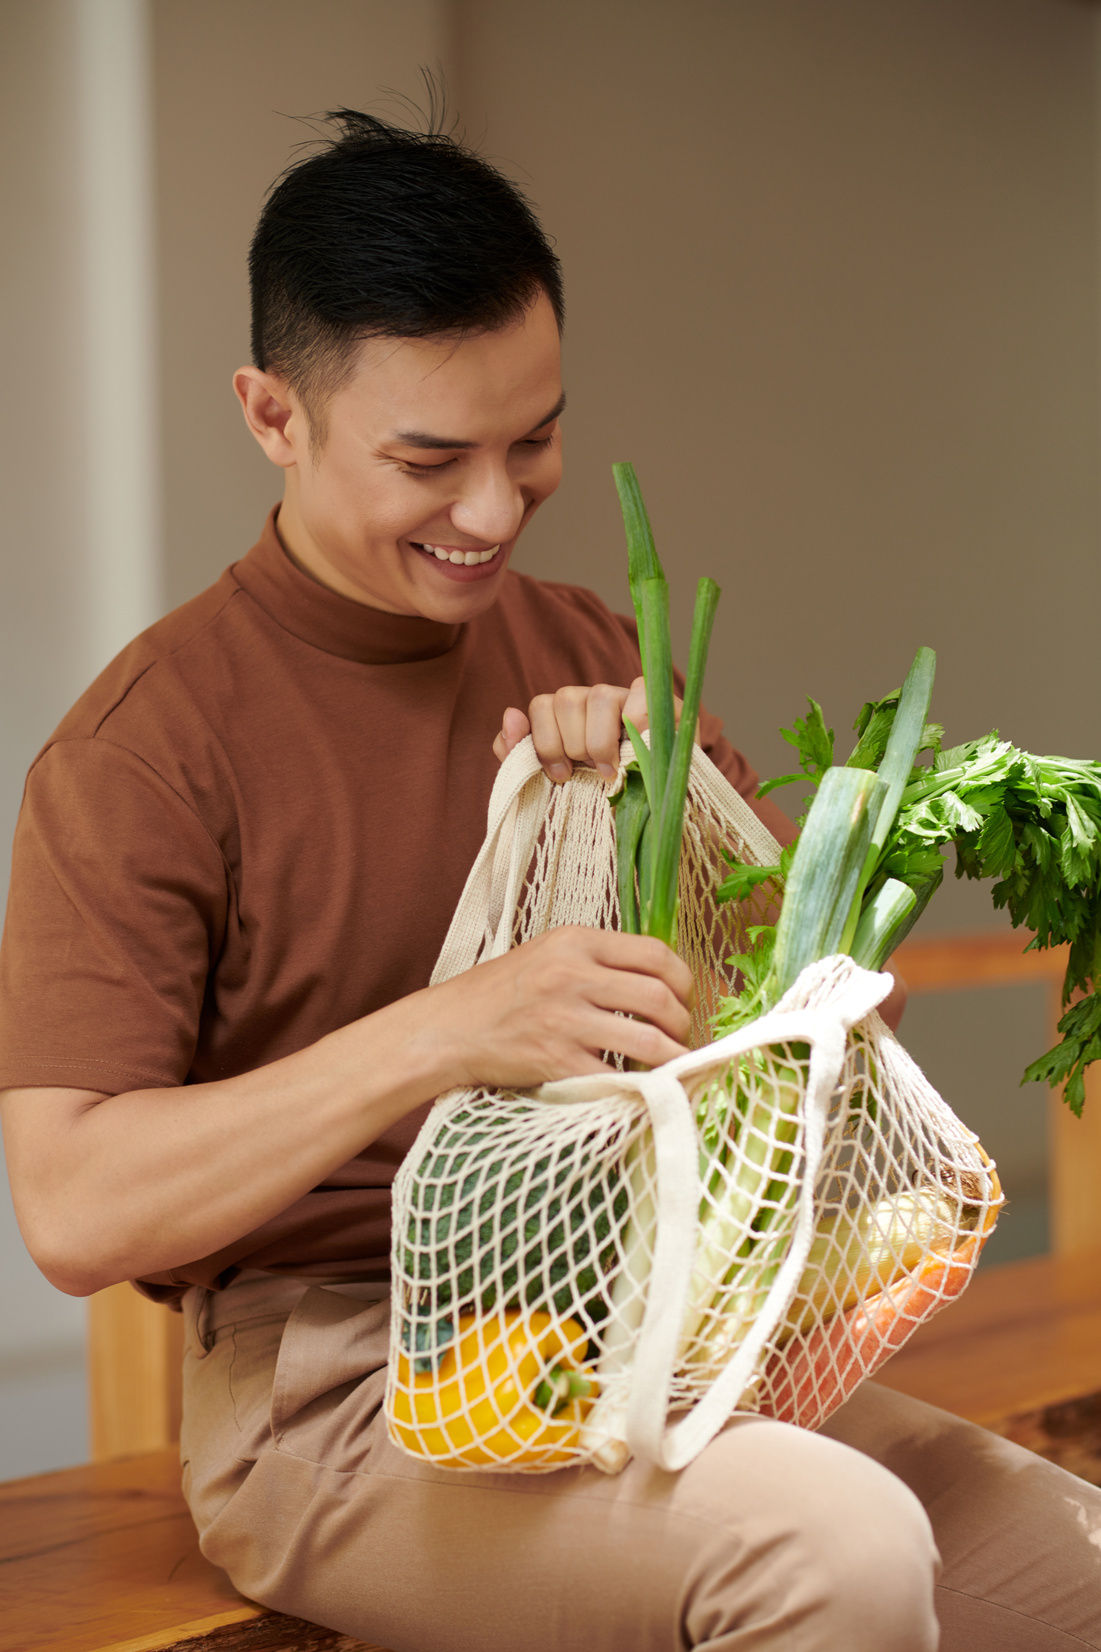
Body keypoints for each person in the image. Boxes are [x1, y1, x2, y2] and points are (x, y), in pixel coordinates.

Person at [1, 109, 1099, 1652]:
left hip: (653, 1329)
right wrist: (448, 1030)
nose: (494, 512)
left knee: (1080, 1568)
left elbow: (801, 1055)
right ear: (271, 414)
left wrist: (686, 833)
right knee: (831, 1548)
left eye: (533, 441)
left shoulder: (598, 655)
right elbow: (71, 1204)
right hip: (333, 1399)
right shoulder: (147, 747)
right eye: (427, 460)